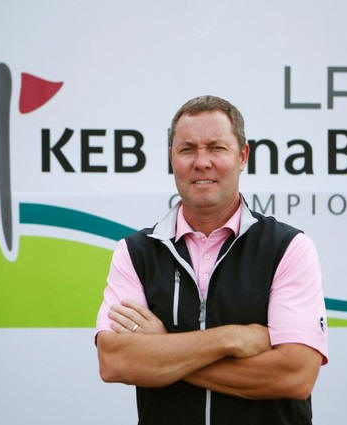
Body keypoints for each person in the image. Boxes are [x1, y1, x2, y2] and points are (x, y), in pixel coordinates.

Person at [95, 95, 328, 425]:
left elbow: (295, 375)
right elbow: (115, 361)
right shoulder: (136, 253)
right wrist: (231, 338)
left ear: (242, 156)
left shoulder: (287, 248)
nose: (201, 162)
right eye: (187, 149)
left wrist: (163, 350)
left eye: (217, 148)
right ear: (172, 159)